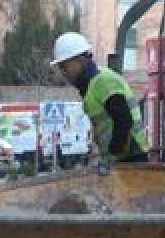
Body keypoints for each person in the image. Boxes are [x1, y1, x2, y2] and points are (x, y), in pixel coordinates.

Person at [51, 32, 148, 170]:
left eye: (64, 66)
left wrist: (113, 156)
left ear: (79, 60)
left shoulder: (103, 81)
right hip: (125, 157)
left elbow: (124, 120)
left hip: (131, 157)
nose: (63, 72)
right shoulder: (92, 85)